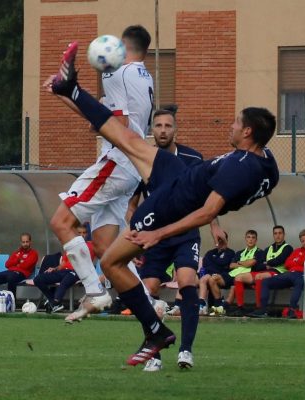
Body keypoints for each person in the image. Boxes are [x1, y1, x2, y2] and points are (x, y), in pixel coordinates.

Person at [45, 42, 279, 366]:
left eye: (237, 124)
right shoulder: (267, 163)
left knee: (112, 263)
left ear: (249, 132)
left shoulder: (243, 168)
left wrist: (159, 234)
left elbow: (207, 211)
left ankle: (154, 330)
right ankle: (71, 90)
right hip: (184, 174)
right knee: (126, 139)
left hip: (173, 202)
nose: (232, 126)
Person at [48, 25, 154, 320]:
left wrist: (72, 89)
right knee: (107, 245)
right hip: (131, 165)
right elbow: (102, 119)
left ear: (121, 47)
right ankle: (149, 301)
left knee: (61, 222)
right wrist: (65, 95)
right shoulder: (142, 75)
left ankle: (95, 292)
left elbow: (110, 122)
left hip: (117, 161)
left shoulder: (116, 73)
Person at [121, 109, 204, 371]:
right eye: (158, 125)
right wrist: (131, 231)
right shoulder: (142, 161)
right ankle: (154, 351)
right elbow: (132, 206)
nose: (163, 130)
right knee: (147, 290)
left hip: (185, 232)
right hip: (154, 235)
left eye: (168, 125)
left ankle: (186, 351)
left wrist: (215, 226)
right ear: (152, 131)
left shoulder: (193, 158)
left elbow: (209, 199)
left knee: (188, 280)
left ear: (176, 130)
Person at [249, 229, 305, 318]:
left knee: (299, 281)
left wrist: (297, 263)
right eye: (302, 241)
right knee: (265, 281)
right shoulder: (297, 251)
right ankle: (262, 310)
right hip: (289, 273)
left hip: (301, 274)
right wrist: (298, 263)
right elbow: (287, 264)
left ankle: (292, 310)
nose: (304, 243)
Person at [232, 225, 292, 314]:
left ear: (284, 235)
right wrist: (266, 265)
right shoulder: (268, 249)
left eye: (280, 233)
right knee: (238, 277)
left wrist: (267, 263)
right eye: (275, 233)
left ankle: (260, 308)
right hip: (265, 271)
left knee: (259, 276)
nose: (278, 235)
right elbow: (258, 265)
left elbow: (279, 260)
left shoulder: (288, 248)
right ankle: (241, 307)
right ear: (273, 235)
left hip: (279, 273)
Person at [34, 225, 94, 313]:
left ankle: (55, 302)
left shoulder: (91, 246)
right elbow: (64, 263)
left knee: (65, 281)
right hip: (65, 271)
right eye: (79, 233)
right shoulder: (70, 246)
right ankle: (54, 302)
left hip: (78, 272)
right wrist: (54, 269)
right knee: (38, 279)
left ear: (87, 234)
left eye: (84, 233)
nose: (82, 235)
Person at [209, 229, 263, 316]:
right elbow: (231, 265)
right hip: (232, 274)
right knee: (212, 279)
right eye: (248, 237)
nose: (251, 239)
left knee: (235, 285)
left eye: (253, 238)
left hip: (244, 277)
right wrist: (244, 263)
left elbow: (251, 263)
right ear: (245, 239)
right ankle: (218, 304)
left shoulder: (259, 252)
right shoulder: (240, 252)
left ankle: (223, 307)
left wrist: (240, 263)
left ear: (256, 240)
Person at [198, 231, 235, 315]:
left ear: (226, 240)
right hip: (209, 275)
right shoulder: (210, 253)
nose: (220, 241)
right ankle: (182, 305)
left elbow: (225, 265)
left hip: (223, 276)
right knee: (192, 278)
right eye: (218, 239)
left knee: (209, 278)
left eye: (222, 239)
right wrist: (217, 264)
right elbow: (205, 265)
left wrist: (215, 264)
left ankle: (208, 305)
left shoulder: (230, 252)